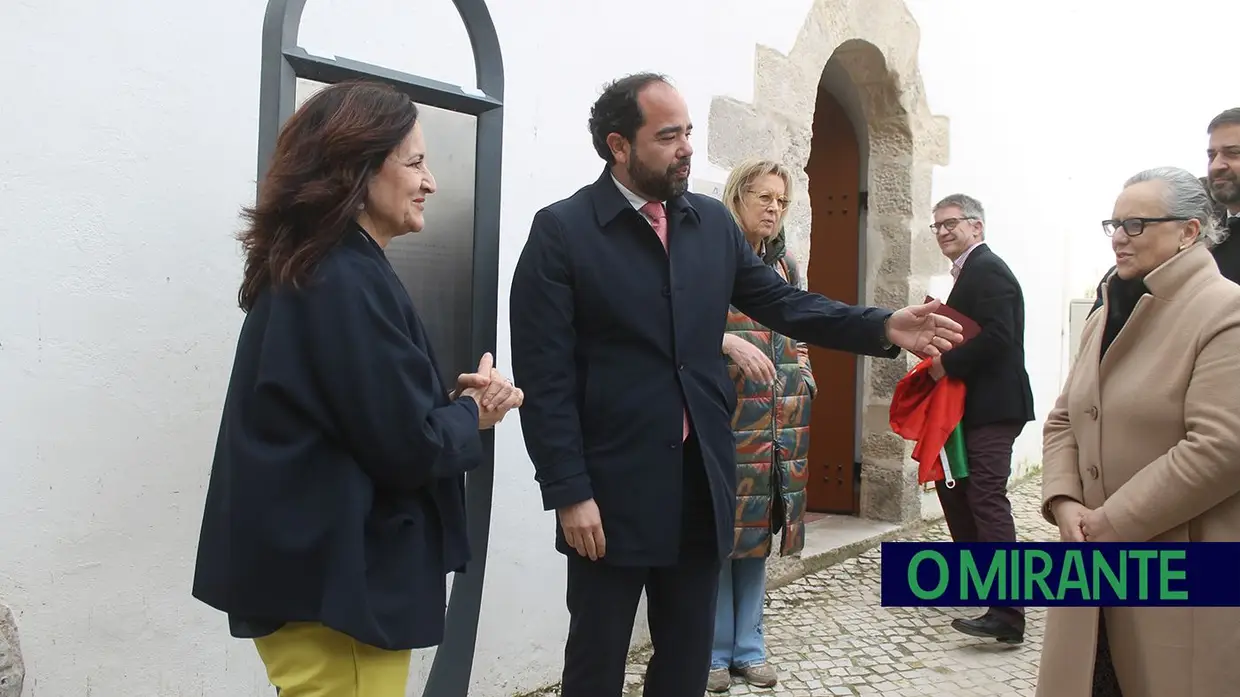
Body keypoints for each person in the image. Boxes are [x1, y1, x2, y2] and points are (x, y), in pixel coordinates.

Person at [508, 72, 963, 697]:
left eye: (689, 132)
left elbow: (785, 303)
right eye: (668, 136)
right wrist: (568, 490)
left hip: (701, 481)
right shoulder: (563, 231)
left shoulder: (710, 226)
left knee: (687, 662)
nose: (687, 147)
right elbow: (545, 376)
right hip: (610, 491)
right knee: (596, 659)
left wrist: (882, 324)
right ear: (619, 145)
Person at [190, 80, 522, 697]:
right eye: (416, 162)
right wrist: (474, 409)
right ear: (358, 168)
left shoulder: (322, 267)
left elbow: (371, 419)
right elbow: (405, 446)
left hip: (321, 582)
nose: (431, 182)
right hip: (336, 590)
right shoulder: (341, 278)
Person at [1037, 167, 1240, 697]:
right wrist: (1064, 502)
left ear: (1189, 231)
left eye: (1136, 224)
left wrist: (1110, 523)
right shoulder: (1104, 313)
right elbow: (1065, 418)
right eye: (1114, 223)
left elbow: (1222, 447)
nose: (1119, 237)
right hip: (1090, 564)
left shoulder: (1227, 312)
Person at [706, 159, 812, 693]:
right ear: (738, 196)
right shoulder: (710, 256)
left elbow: (800, 328)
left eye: (782, 201)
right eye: (764, 197)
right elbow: (688, 329)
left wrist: (806, 378)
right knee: (722, 534)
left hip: (780, 421)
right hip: (727, 415)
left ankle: (750, 647)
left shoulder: (787, 265)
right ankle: (714, 653)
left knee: (759, 535)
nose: (773, 208)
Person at [926, 193, 1035, 643]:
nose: (944, 231)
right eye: (938, 226)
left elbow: (1000, 338)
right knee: (959, 491)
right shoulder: (968, 271)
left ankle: (1008, 615)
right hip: (972, 407)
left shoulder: (987, 268)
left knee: (986, 499)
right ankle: (982, 583)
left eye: (952, 223)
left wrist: (945, 364)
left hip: (994, 407)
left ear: (977, 227)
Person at [1088, 107, 1240, 315]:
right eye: (1212, 155)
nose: (1216, 166)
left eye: (1233, 153)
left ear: (1189, 231)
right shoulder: (1192, 209)